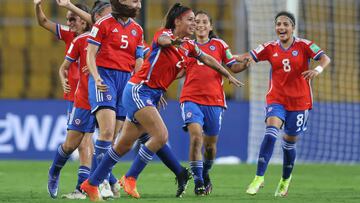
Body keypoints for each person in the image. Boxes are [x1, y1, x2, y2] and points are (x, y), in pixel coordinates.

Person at [80, 3, 242, 201]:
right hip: (139, 90)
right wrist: (174, 42)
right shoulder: (163, 34)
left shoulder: (189, 45)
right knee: (161, 135)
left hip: (151, 94)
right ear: (178, 21)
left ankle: (91, 183)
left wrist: (227, 74)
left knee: (123, 145)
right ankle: (130, 177)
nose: (194, 24)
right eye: (190, 20)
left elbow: (208, 59)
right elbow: (164, 41)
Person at [240, 11, 331, 197]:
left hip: (299, 103)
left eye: (285, 24)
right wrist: (225, 56)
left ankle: (285, 180)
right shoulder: (269, 47)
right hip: (276, 99)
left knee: (289, 144)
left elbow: (325, 58)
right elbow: (247, 56)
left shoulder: (304, 45)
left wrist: (317, 69)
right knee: (271, 133)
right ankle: (258, 177)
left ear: (292, 27)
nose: (281, 27)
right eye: (278, 24)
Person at [179, 10, 249, 196]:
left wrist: (244, 65)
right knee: (195, 138)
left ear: (210, 27)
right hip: (190, 98)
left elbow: (233, 65)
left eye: (204, 22)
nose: (200, 24)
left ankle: (205, 172)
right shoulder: (186, 46)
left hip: (215, 100)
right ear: (192, 27)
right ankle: (199, 183)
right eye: (197, 22)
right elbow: (178, 71)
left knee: (210, 147)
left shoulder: (219, 45)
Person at [33, 0, 93, 199]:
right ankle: (56, 170)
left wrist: (68, 5)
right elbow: (43, 21)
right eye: (68, 20)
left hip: (96, 93)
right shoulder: (69, 35)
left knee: (90, 141)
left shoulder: (96, 34)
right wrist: (37, 5)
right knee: (75, 144)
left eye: (73, 19)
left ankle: (83, 187)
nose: (70, 23)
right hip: (75, 96)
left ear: (84, 21)